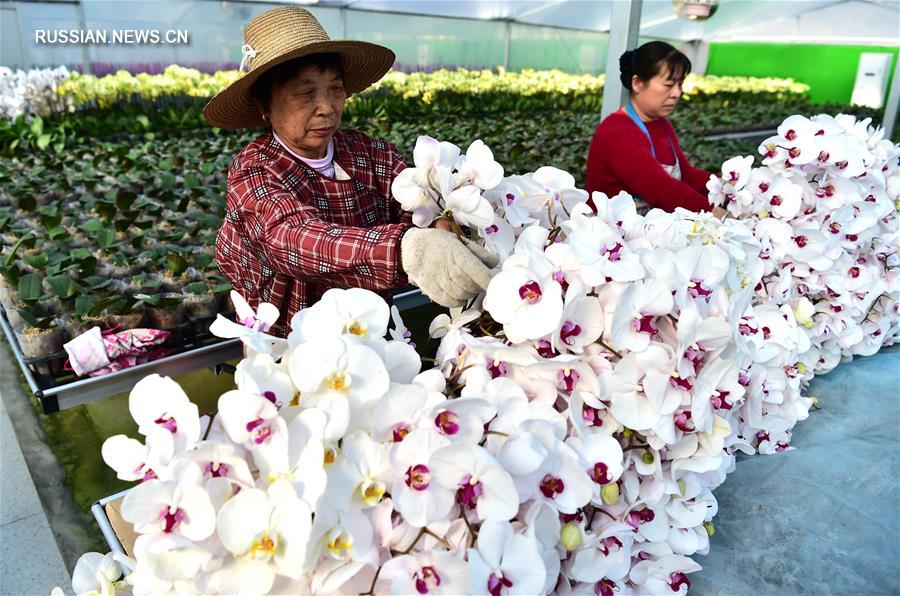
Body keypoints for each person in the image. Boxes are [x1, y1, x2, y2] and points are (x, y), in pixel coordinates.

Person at [204, 6, 495, 337]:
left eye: (336, 89)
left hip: (371, 333)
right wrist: (408, 249)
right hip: (287, 344)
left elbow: (419, 203)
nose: (327, 107)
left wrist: (445, 225)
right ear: (264, 104)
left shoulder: (370, 153)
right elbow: (289, 239)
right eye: (306, 93)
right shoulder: (254, 170)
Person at [585, 41, 716, 214]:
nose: (677, 93)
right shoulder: (617, 132)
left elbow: (687, 175)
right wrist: (712, 213)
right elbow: (660, 188)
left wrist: (725, 186)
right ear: (637, 83)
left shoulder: (660, 123)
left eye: (679, 84)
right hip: (614, 232)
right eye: (669, 85)